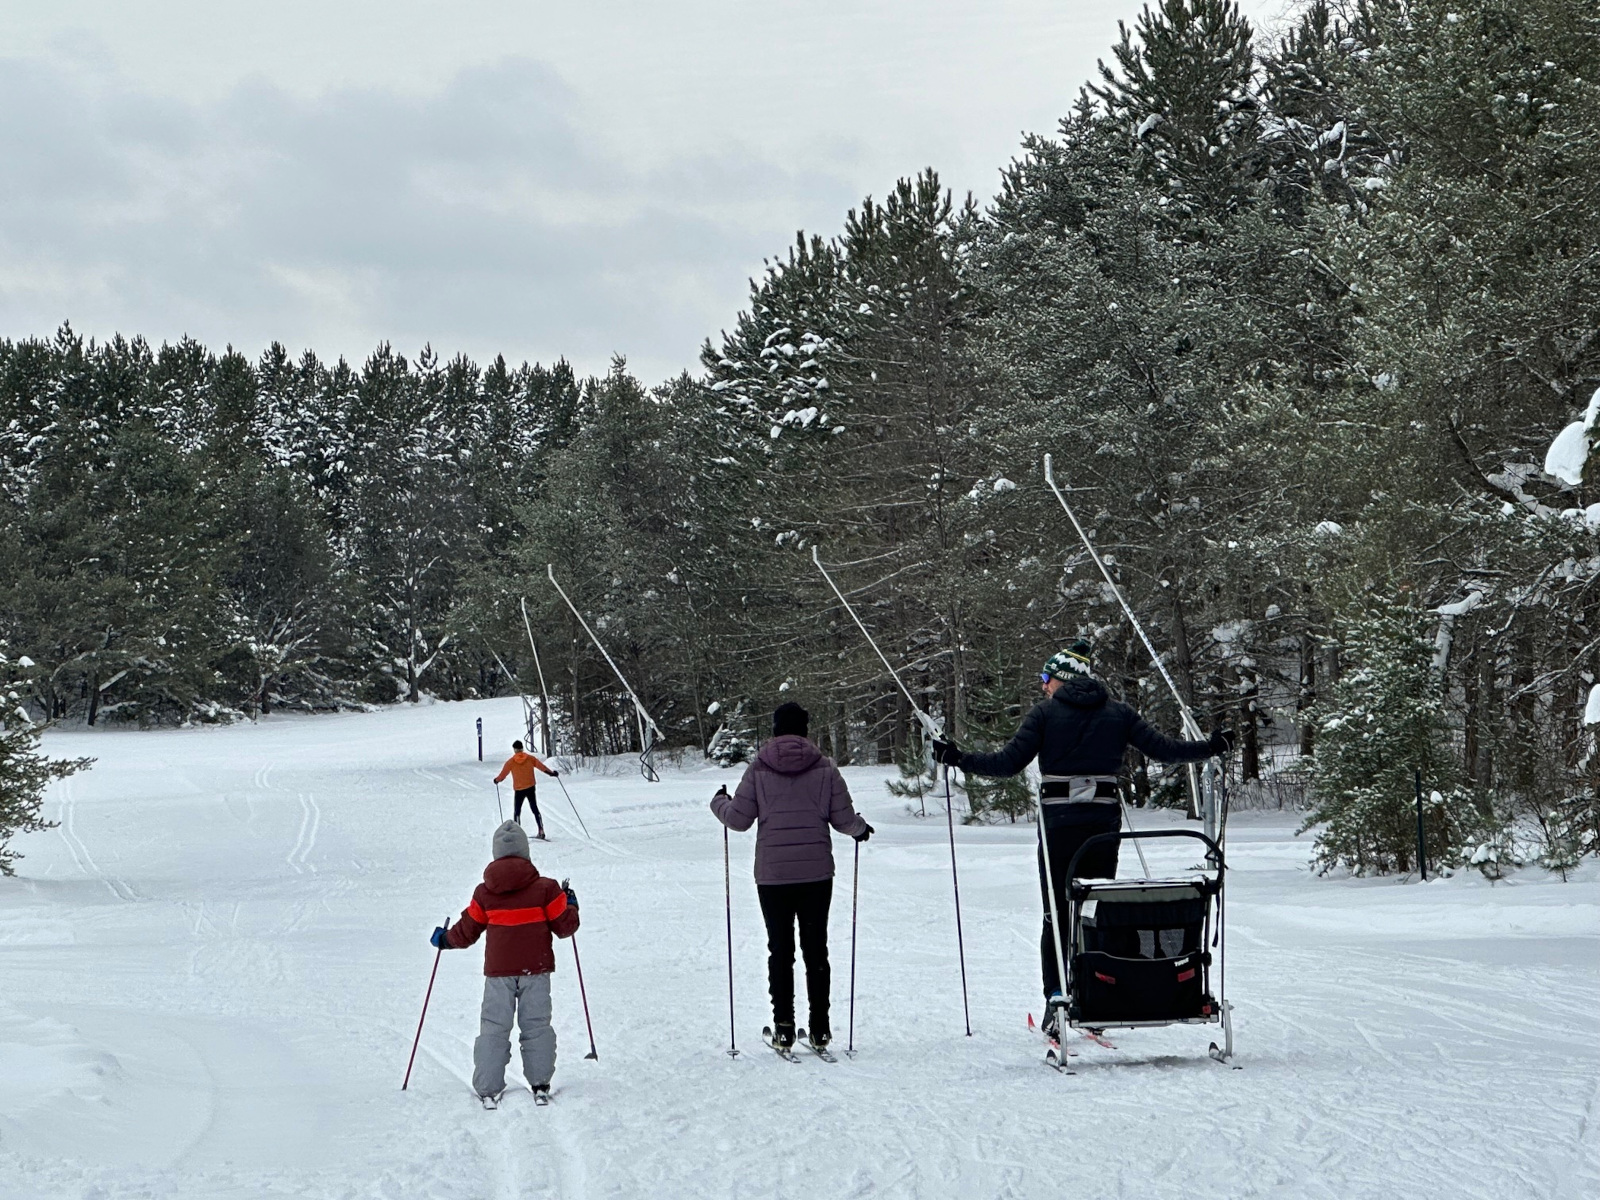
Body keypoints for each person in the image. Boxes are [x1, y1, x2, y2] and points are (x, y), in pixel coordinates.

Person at [931, 640, 1230, 1032]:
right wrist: (1212, 747)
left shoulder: (1045, 714)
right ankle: (1100, 996)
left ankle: (1056, 1001)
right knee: (1096, 905)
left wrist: (957, 757)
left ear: (1063, 679)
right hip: (1103, 825)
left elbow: (1006, 764)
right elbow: (1165, 750)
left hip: (1058, 825)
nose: (1043, 685)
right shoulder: (1119, 714)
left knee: (1055, 913)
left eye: (1046, 677)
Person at [711, 701, 873, 1053]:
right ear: (805, 730)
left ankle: (784, 1026)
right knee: (816, 950)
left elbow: (738, 820)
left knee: (780, 950)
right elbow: (844, 820)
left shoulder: (758, 769)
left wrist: (718, 803)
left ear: (774, 730)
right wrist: (861, 829)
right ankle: (820, 1029)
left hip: (773, 877)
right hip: (816, 874)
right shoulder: (826, 769)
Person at [430, 820, 580, 1105]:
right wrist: (570, 903)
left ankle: (487, 1086)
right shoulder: (546, 889)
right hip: (536, 968)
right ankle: (540, 1083)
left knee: (494, 1026)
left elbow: (467, 931)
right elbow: (565, 927)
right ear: (525, 853)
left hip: (498, 973)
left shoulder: (484, 894)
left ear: (496, 854)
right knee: (536, 1024)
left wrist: (445, 939)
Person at [494, 739, 559, 839]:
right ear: (522, 748)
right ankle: (541, 830)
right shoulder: (530, 758)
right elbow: (542, 767)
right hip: (530, 787)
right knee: (534, 809)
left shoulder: (510, 762)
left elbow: (503, 775)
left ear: (514, 750)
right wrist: (552, 773)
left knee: (517, 811)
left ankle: (517, 834)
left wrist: (497, 780)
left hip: (519, 789)